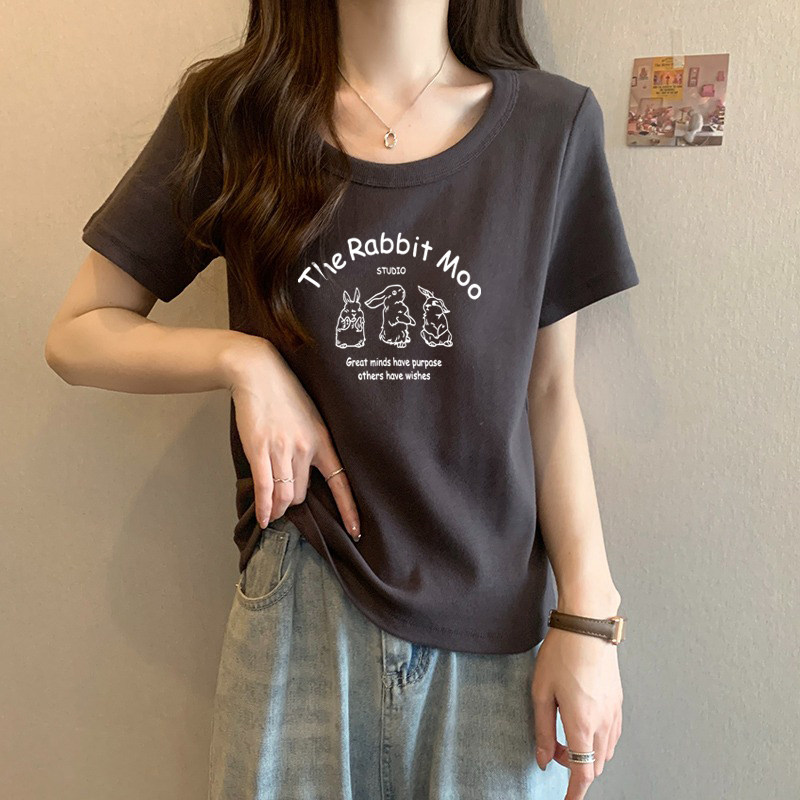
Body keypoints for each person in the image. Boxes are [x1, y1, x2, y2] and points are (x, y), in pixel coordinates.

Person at [45, 2, 640, 798]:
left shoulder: (550, 127)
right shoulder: (236, 112)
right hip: (301, 602)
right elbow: (78, 333)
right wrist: (242, 358)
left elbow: (549, 392)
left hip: (492, 622)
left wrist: (589, 620)